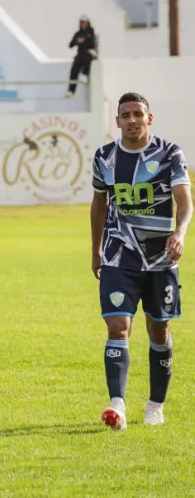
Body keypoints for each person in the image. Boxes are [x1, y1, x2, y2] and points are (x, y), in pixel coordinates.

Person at [91, 92, 192, 430]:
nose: (131, 120)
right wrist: (96, 250)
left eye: (138, 114)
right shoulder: (104, 157)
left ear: (150, 118)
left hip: (162, 259)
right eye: (125, 115)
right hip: (119, 256)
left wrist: (179, 233)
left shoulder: (169, 154)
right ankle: (116, 405)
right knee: (118, 326)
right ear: (117, 121)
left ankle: (155, 404)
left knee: (158, 330)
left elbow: (185, 202)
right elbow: (98, 205)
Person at [67, 16, 97, 97]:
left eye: (84, 22)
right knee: (74, 70)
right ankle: (71, 91)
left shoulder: (91, 32)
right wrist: (76, 41)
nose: (82, 24)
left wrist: (84, 41)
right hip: (80, 54)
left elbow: (92, 43)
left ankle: (84, 73)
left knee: (88, 57)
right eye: (81, 22)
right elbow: (70, 45)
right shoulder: (78, 33)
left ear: (87, 23)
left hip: (89, 53)